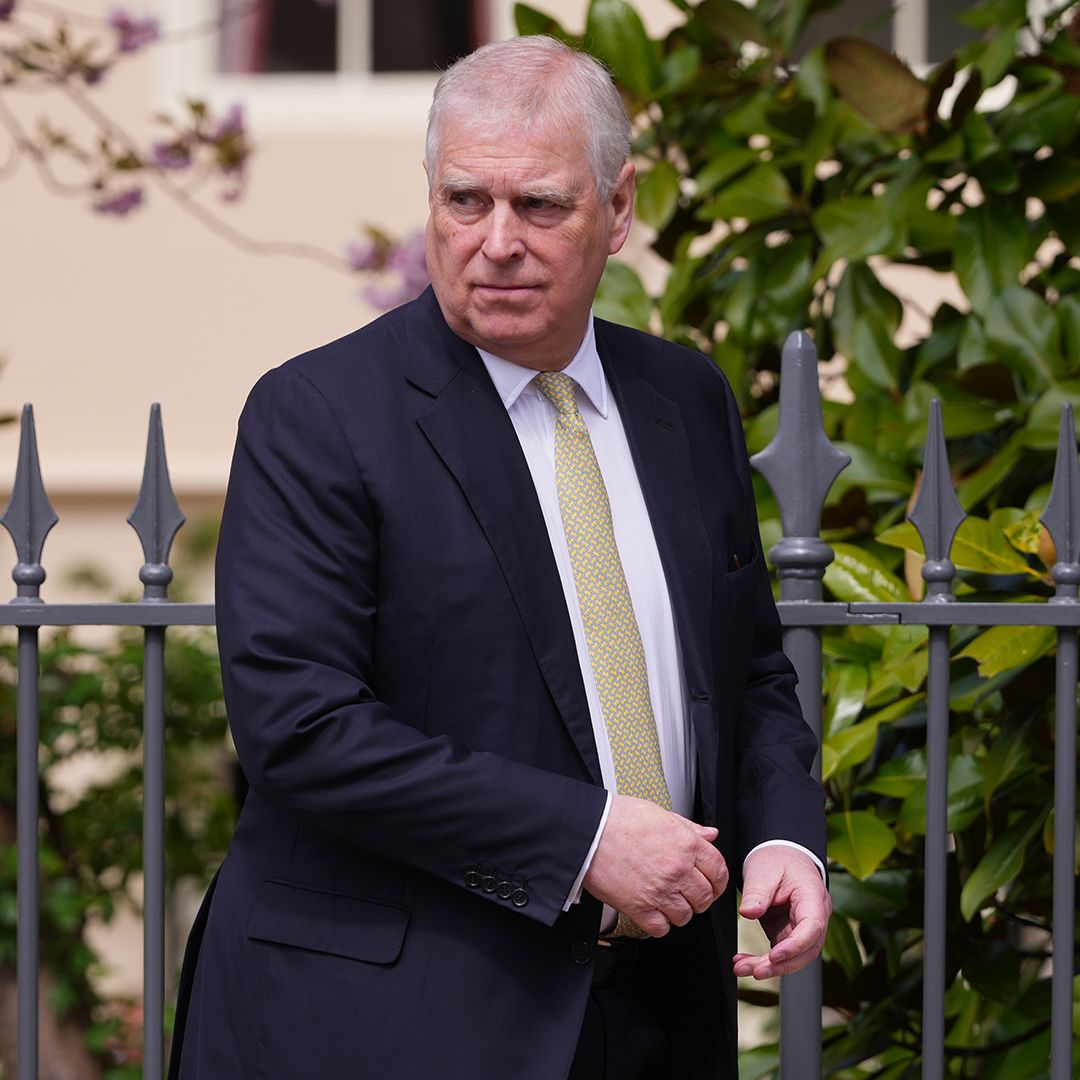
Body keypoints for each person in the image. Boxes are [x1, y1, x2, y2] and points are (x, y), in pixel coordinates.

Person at [169, 35, 830, 1080]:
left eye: (541, 206)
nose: (498, 242)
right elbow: (301, 726)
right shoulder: (319, 414)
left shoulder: (683, 399)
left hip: (656, 1017)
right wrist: (587, 839)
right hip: (389, 1023)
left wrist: (785, 838)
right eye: (466, 201)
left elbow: (748, 673)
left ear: (619, 207)